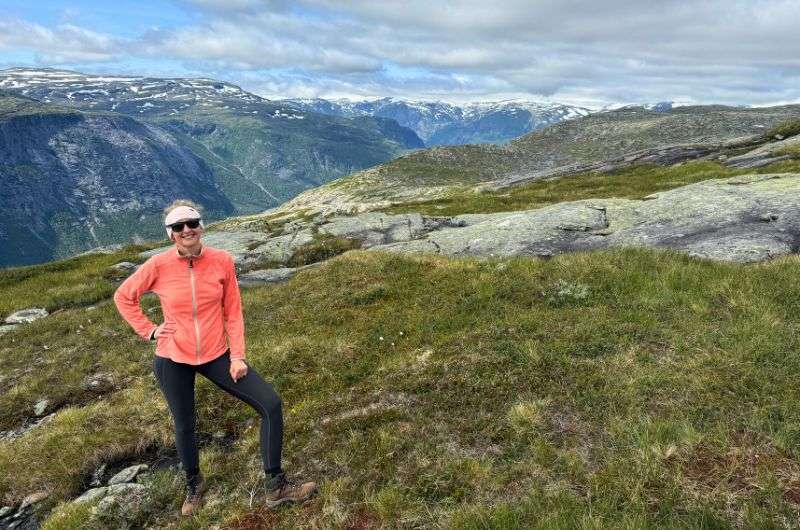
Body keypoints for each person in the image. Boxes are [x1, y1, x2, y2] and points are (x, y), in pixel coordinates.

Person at [113, 200, 316, 516]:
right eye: (178, 226)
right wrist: (149, 330)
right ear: (170, 234)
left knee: (271, 404)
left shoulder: (222, 261)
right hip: (172, 358)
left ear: (201, 226)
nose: (186, 230)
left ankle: (275, 486)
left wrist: (238, 357)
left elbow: (233, 312)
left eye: (191, 223)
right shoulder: (158, 265)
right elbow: (124, 297)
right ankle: (194, 485)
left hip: (216, 354)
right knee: (185, 425)